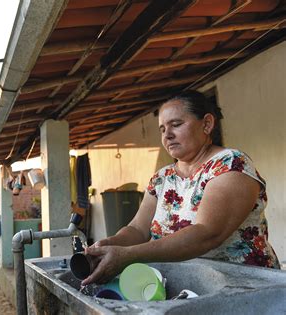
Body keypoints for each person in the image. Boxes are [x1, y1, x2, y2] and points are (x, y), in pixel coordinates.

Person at [82, 90, 280, 286]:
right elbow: (137, 229)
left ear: (207, 124)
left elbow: (207, 233)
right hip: (190, 285)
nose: (167, 135)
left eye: (176, 124)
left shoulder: (231, 164)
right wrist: (110, 244)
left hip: (245, 286)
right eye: (162, 129)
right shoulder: (162, 178)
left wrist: (128, 255)